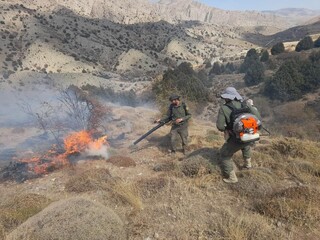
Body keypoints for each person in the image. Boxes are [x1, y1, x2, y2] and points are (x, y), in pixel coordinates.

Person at [216, 87, 261, 183]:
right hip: (249, 134)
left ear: (226, 97)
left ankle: (232, 178)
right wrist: (251, 106)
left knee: (224, 154)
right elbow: (258, 118)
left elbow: (219, 126)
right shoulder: (244, 104)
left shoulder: (224, 108)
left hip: (236, 137)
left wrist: (228, 129)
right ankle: (248, 165)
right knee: (245, 145)